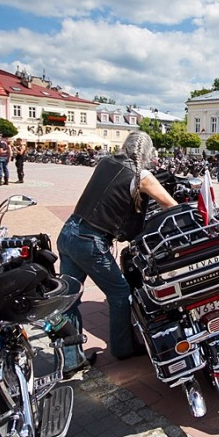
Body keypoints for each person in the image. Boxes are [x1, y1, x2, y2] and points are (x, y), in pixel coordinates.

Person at [57, 132, 178, 373]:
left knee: (68, 301)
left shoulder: (105, 162)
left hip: (68, 232)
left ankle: (69, 362)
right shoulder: (141, 176)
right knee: (121, 294)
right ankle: (123, 349)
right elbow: (170, 205)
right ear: (146, 153)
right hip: (90, 241)